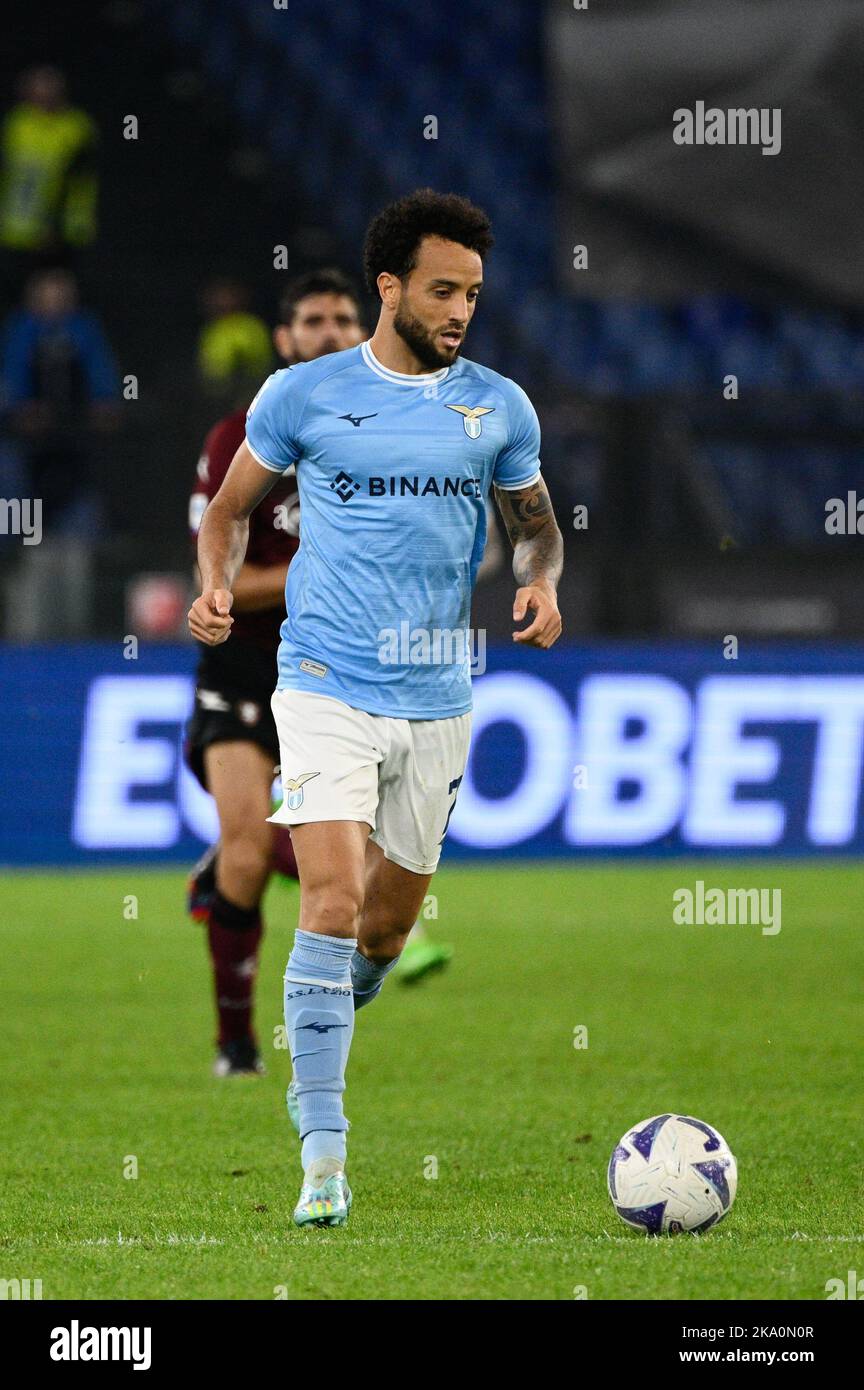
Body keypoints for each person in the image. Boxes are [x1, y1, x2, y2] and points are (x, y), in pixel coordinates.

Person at [188, 190, 563, 1225]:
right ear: (388, 286)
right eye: (443, 290)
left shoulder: (498, 406)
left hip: (439, 692)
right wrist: (216, 581)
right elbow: (228, 510)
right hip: (322, 683)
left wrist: (542, 578)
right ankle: (324, 1154)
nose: (460, 310)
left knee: (387, 933)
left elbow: (536, 526)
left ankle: (315, 1017)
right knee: (332, 901)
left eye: (475, 294)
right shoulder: (301, 397)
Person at [185, 268, 365, 1077]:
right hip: (245, 664)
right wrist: (232, 590)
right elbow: (219, 564)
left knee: (357, 879)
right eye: (312, 320)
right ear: (285, 338)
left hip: (337, 670)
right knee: (252, 852)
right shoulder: (242, 436)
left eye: (343, 319)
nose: (329, 332)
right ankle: (236, 1045)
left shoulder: (380, 442)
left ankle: (234, 861)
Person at [0, 67, 97, 304]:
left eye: (49, 87)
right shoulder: (16, 123)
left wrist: (55, 226)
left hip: (62, 231)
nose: (43, 94)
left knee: (57, 300)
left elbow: (76, 182)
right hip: (17, 229)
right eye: (37, 87)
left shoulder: (77, 127)